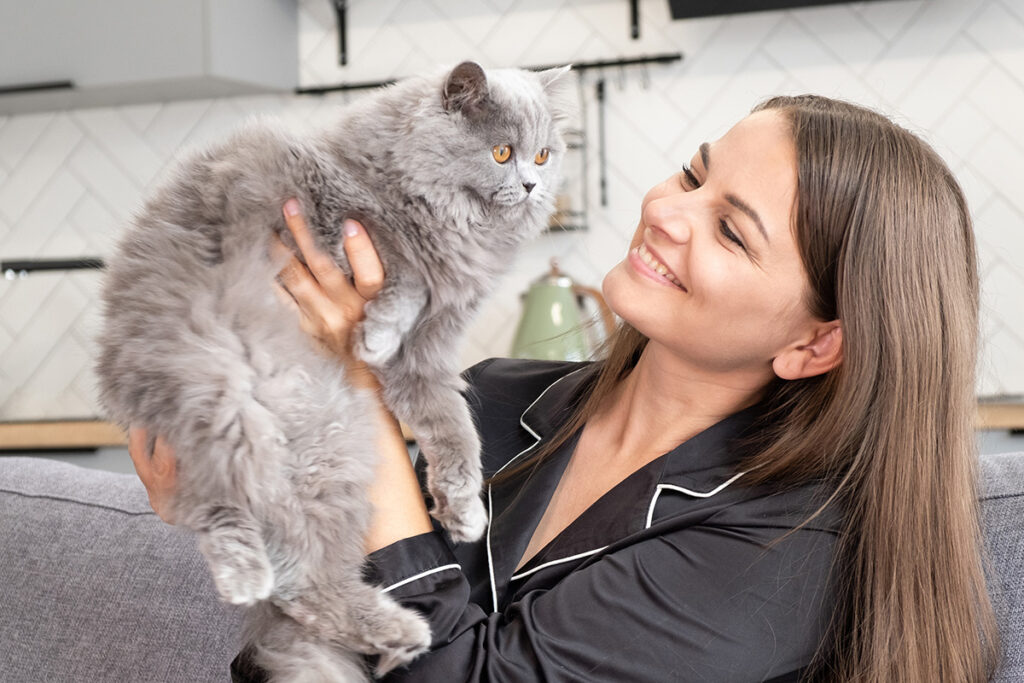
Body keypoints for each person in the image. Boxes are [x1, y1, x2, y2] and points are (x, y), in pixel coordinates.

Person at [130, 95, 1000, 682]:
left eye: (731, 232)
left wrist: (354, 389)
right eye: (694, 176)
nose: (668, 210)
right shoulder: (499, 402)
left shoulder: (784, 546)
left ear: (817, 342)